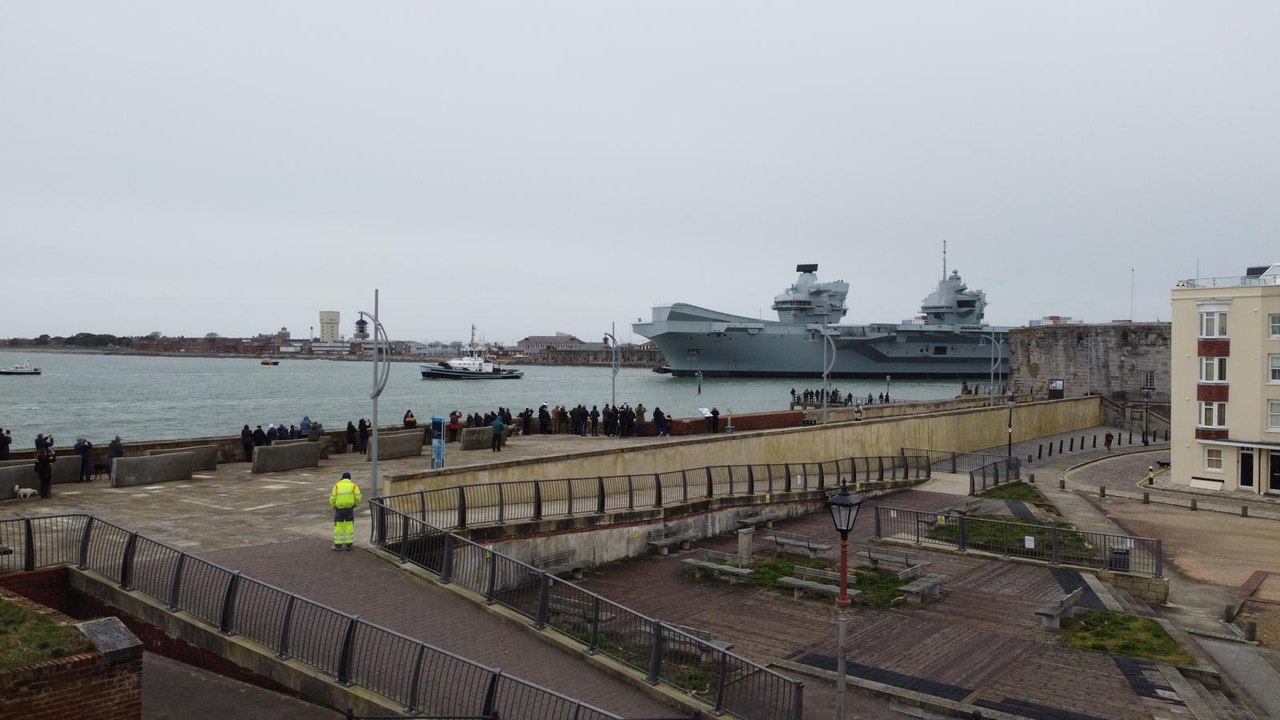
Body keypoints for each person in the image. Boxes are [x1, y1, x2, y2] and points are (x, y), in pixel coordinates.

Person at [329, 471, 362, 551]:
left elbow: (332, 498)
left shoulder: (337, 486)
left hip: (339, 509)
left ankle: (338, 546)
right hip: (349, 509)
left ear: (342, 478)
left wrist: (334, 506)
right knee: (349, 526)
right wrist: (355, 505)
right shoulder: (354, 486)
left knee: (339, 527)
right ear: (350, 478)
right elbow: (358, 497)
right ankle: (349, 545)